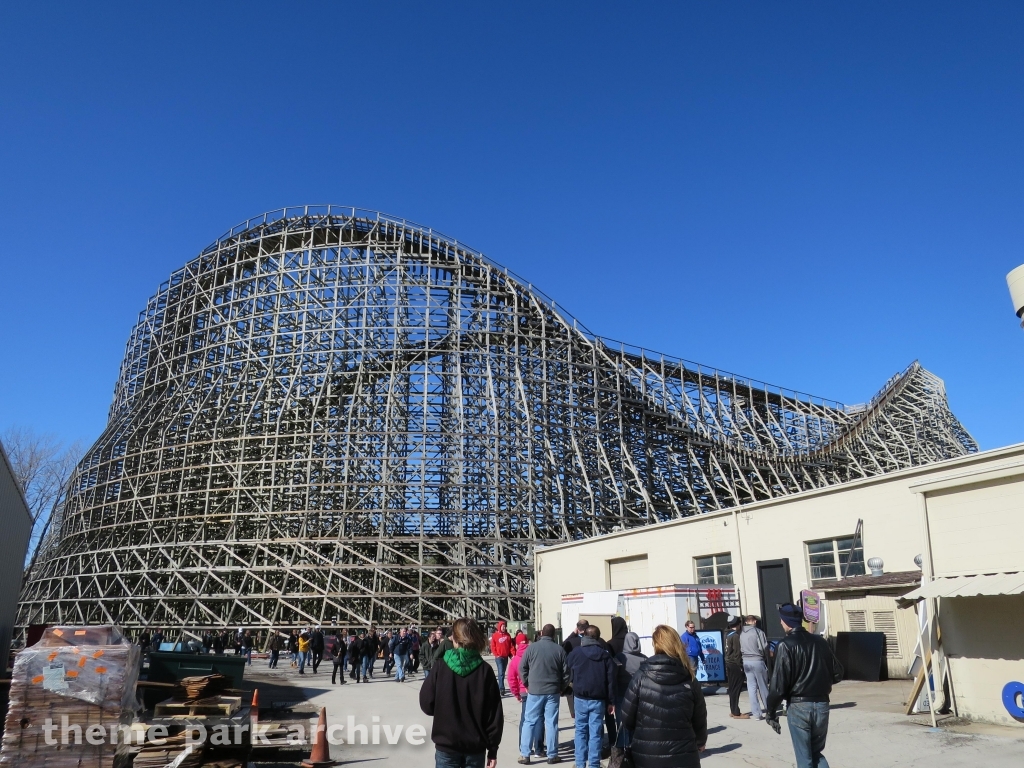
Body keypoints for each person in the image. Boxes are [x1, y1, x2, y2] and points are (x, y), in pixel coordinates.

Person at [765, 604, 843, 768]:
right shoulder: (820, 642)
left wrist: (770, 712)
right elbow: (837, 673)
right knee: (815, 754)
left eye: (781, 620)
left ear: (786, 622)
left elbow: (778, 686)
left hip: (799, 705)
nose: (780, 623)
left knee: (804, 758)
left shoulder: (785, 645)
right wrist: (819, 681)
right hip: (822, 703)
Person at [419, 617, 504, 768]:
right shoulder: (485, 670)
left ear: (455, 639)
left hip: (446, 746)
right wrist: (492, 750)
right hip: (475, 747)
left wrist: (443, 710)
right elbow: (494, 715)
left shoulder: (440, 667)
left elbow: (426, 704)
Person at [620, 625, 707, 768]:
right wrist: (700, 742)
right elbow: (700, 718)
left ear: (656, 645)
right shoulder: (689, 678)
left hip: (647, 754)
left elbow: (627, 719)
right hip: (684, 754)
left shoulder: (641, 676)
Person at [519, 623, 570, 765]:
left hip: (534, 690)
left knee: (529, 721)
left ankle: (525, 754)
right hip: (553, 691)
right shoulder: (559, 650)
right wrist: (562, 687)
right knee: (551, 722)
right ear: (554, 635)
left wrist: (527, 683)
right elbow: (567, 672)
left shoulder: (531, 648)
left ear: (541, 633)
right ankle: (552, 755)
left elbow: (521, 667)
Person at [566, 625, 616, 768]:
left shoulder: (576, 653)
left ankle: (580, 763)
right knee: (595, 732)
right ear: (598, 638)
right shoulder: (605, 655)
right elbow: (610, 680)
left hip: (580, 697)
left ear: (585, 636)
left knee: (580, 731)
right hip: (598, 699)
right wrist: (611, 701)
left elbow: (567, 670)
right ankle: (594, 764)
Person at [508, 634, 546, 760]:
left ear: (517, 644)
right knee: (540, 718)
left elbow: (511, 678)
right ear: (528, 642)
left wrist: (516, 693)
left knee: (525, 720)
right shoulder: (535, 654)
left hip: (524, 691)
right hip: (537, 689)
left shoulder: (515, 660)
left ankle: (523, 747)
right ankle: (539, 749)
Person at [612, 631, 646, 755]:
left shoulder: (619, 658)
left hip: (622, 694)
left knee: (622, 724)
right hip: (639, 696)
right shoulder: (644, 658)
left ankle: (622, 750)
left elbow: (613, 676)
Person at [740, 615, 770, 719]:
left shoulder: (742, 633)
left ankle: (756, 714)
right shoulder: (758, 632)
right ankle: (769, 710)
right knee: (763, 687)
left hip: (746, 661)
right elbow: (763, 647)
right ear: (754, 621)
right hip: (757, 660)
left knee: (751, 687)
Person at [561, 620, 588, 719]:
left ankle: (574, 713)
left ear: (578, 628)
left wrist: (573, 634)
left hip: (574, 674)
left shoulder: (572, 642)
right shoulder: (594, 640)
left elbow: (563, 646)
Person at [724, 615, 748, 719]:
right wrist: (740, 666)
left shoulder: (727, 634)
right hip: (735, 664)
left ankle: (733, 709)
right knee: (737, 688)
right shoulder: (736, 636)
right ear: (737, 624)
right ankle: (736, 712)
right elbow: (737, 653)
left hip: (728, 662)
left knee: (732, 688)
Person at [490, 621, 514, 695]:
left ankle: (501, 686)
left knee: (503, 672)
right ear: (499, 627)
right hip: (499, 657)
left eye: (505, 626)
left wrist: (513, 654)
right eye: (502, 626)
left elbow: (511, 646)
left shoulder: (507, 635)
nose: (504, 627)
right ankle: (501, 688)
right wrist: (496, 654)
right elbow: (492, 646)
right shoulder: (495, 636)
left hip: (505, 657)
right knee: (501, 673)